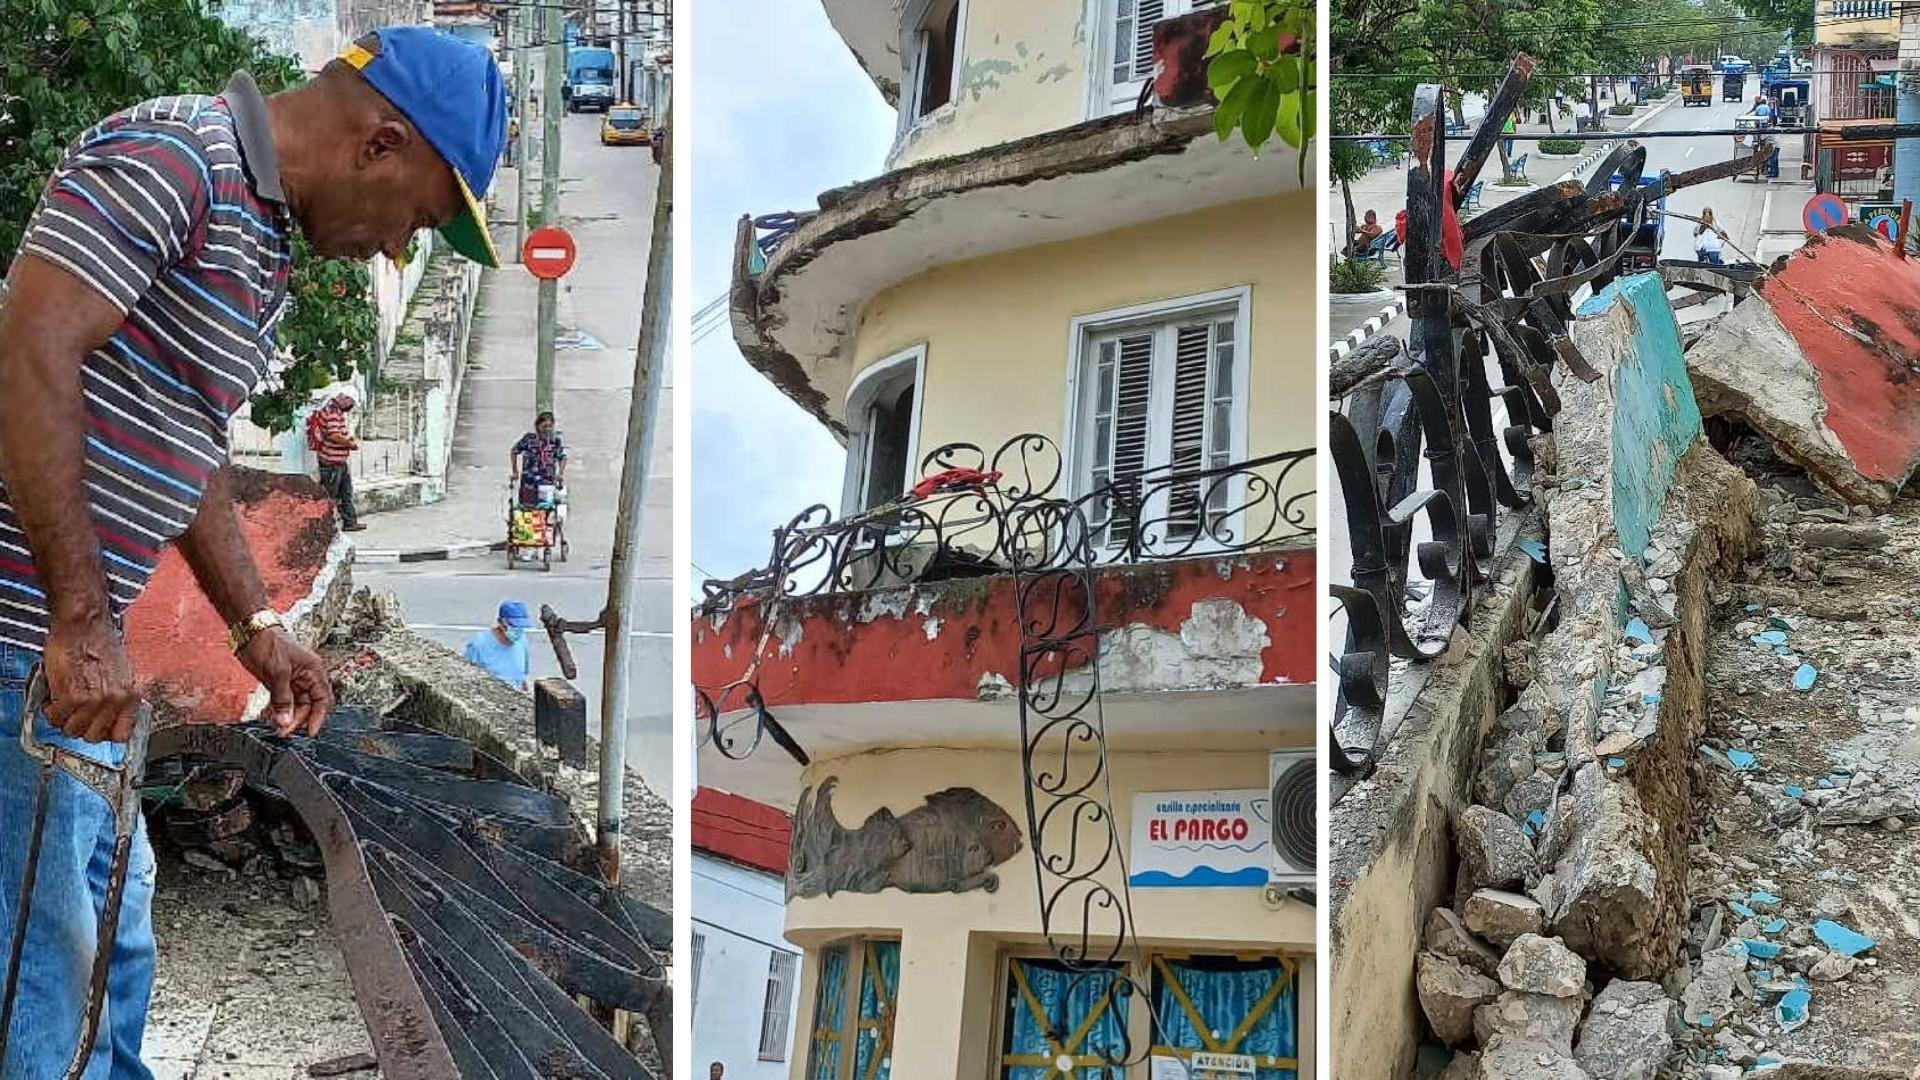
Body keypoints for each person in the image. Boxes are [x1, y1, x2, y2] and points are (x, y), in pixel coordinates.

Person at [0, 27, 504, 1077]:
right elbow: (28, 348)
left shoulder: (261, 241)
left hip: (70, 674)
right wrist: (80, 624)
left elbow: (181, 452)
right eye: (415, 218)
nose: (393, 250)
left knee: (113, 941)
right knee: (39, 975)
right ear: (381, 141)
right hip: (19, 644)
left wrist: (257, 628)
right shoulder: (174, 160)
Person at [308, 392, 364, 532]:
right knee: (329, 496)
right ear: (345, 399)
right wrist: (349, 444)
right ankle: (321, 526)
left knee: (345, 494)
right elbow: (333, 435)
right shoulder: (332, 411)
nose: (350, 407)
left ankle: (349, 522)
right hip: (331, 462)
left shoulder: (336, 411)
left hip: (339, 462)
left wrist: (347, 440)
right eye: (351, 403)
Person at [463, 601, 534, 691]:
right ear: (500, 623)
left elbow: (522, 678)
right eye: (513, 626)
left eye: (521, 626)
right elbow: (465, 678)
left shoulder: (522, 640)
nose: (518, 630)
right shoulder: (478, 645)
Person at [511, 411, 569, 509]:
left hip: (547, 481)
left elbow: (562, 458)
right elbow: (514, 451)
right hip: (528, 482)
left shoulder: (555, 441)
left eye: (550, 426)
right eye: (544, 426)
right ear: (538, 425)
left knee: (546, 509)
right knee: (527, 510)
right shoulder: (529, 439)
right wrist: (515, 471)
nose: (547, 429)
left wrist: (560, 474)